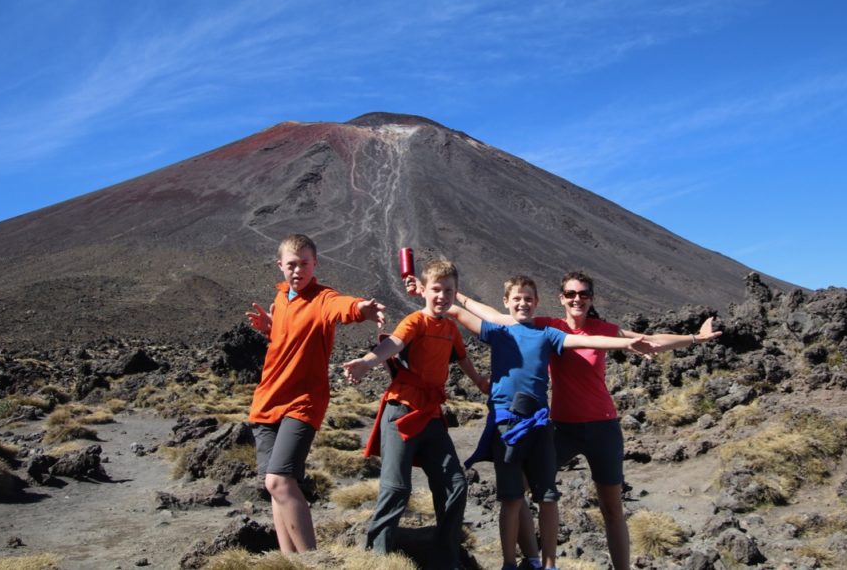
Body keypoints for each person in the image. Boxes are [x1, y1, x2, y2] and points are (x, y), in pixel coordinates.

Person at [456, 271, 721, 570]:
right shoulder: (547, 326)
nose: (577, 299)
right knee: (518, 489)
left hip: (602, 427)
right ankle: (532, 559)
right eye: (571, 294)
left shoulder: (603, 329)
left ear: (591, 298)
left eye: (583, 294)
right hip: (561, 429)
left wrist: (697, 338)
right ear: (561, 299)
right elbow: (496, 316)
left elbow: (650, 342)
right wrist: (456, 296)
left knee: (611, 507)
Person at [438, 274, 655, 570]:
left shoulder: (547, 333)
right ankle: (519, 561)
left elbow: (582, 340)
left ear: (537, 302)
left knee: (547, 495)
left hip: (544, 424)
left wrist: (626, 344)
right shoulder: (500, 332)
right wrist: (436, 291)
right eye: (516, 299)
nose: (523, 304)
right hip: (510, 425)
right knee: (513, 495)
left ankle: (546, 563)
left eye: (528, 299)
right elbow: (457, 311)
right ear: (506, 302)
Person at [342, 259, 489, 569]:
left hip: (432, 415)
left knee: (455, 485)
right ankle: (377, 557)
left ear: (455, 292)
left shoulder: (450, 328)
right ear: (424, 290)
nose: (442, 296)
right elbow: (393, 343)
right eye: (436, 289)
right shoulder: (414, 321)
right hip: (401, 412)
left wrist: (478, 381)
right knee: (396, 488)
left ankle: (447, 556)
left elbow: (461, 357)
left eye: (448, 290)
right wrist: (368, 362)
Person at [245, 233, 386, 554]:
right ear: (280, 265)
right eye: (292, 264)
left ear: (315, 264)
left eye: (304, 264)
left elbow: (343, 307)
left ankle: (312, 560)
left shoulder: (322, 298)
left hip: (303, 403)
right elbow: (287, 335)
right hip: (268, 400)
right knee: (274, 486)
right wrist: (271, 326)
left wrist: (363, 308)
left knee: (280, 481)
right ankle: (289, 561)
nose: (298, 270)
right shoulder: (281, 299)